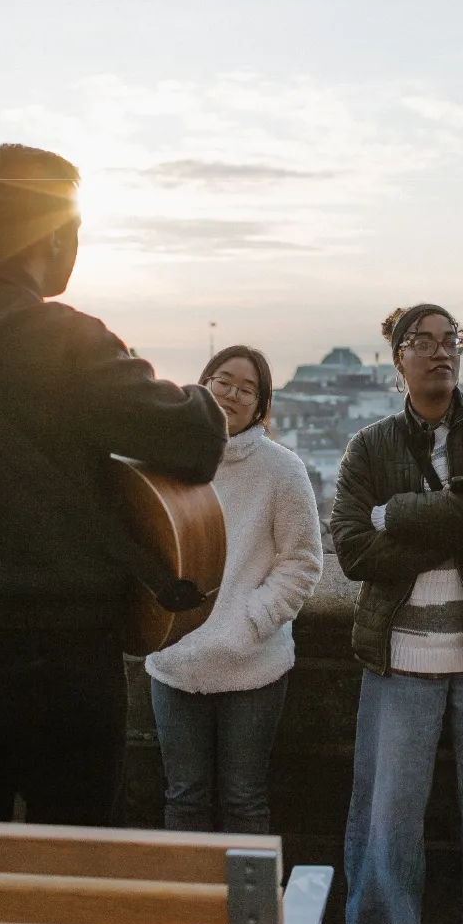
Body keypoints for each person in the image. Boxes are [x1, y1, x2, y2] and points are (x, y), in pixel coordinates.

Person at [0, 143, 227, 826]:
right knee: (75, 853)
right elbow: (197, 443)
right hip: (59, 652)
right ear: (54, 234)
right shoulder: (63, 338)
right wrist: (205, 394)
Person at [330, 303, 463, 924]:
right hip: (402, 655)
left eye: (452, 339)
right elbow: (353, 550)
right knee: (386, 817)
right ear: (398, 360)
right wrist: (456, 524)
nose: (441, 350)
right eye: (423, 340)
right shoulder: (369, 445)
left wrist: (396, 515)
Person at [146, 345, 322, 834]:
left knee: (244, 798)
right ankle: (187, 908)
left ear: (261, 406)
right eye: (224, 380)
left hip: (252, 660)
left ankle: (249, 911)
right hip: (175, 658)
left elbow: (303, 561)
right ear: (202, 382)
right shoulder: (166, 457)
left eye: (248, 389)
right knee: (183, 797)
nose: (233, 393)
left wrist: (249, 622)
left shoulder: (282, 469)